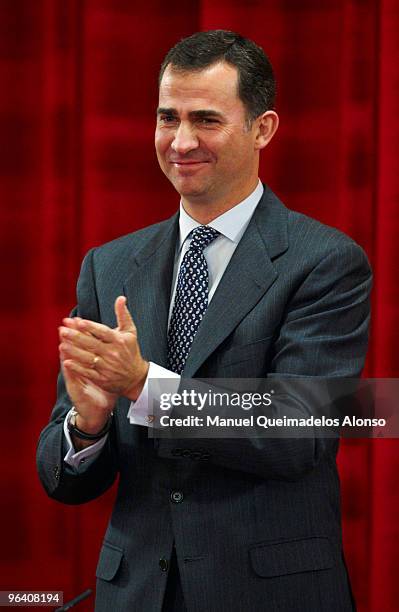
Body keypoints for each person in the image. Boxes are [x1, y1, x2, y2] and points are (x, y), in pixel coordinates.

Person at [37, 30, 372, 611]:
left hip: (269, 591)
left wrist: (146, 387)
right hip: (137, 591)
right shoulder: (109, 265)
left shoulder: (326, 262)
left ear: (263, 128)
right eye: (168, 117)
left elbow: (301, 434)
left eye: (207, 120)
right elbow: (63, 479)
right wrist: (86, 429)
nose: (181, 141)